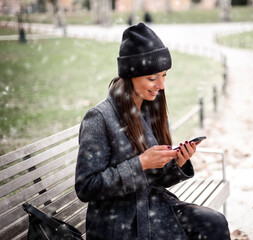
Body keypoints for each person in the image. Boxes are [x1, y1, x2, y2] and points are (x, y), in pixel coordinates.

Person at [75, 22, 230, 240]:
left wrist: (176, 163)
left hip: (152, 209)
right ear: (130, 75)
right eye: (152, 78)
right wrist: (141, 163)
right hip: (118, 221)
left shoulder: (152, 108)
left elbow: (155, 181)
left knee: (213, 223)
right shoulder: (99, 118)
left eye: (164, 75)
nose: (161, 85)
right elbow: (86, 187)